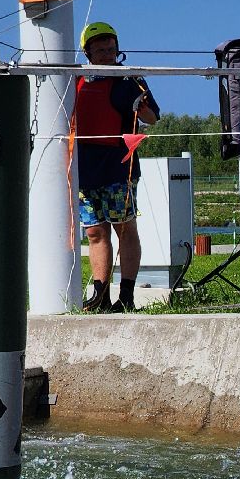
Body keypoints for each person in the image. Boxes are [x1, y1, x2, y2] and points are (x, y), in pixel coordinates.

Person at [75, 21, 160, 312]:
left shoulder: (130, 80)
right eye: (100, 51)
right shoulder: (75, 79)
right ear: (88, 53)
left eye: (111, 49)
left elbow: (152, 118)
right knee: (95, 233)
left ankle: (126, 295)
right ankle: (101, 294)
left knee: (124, 229)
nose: (107, 55)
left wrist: (142, 108)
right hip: (85, 172)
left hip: (118, 170)